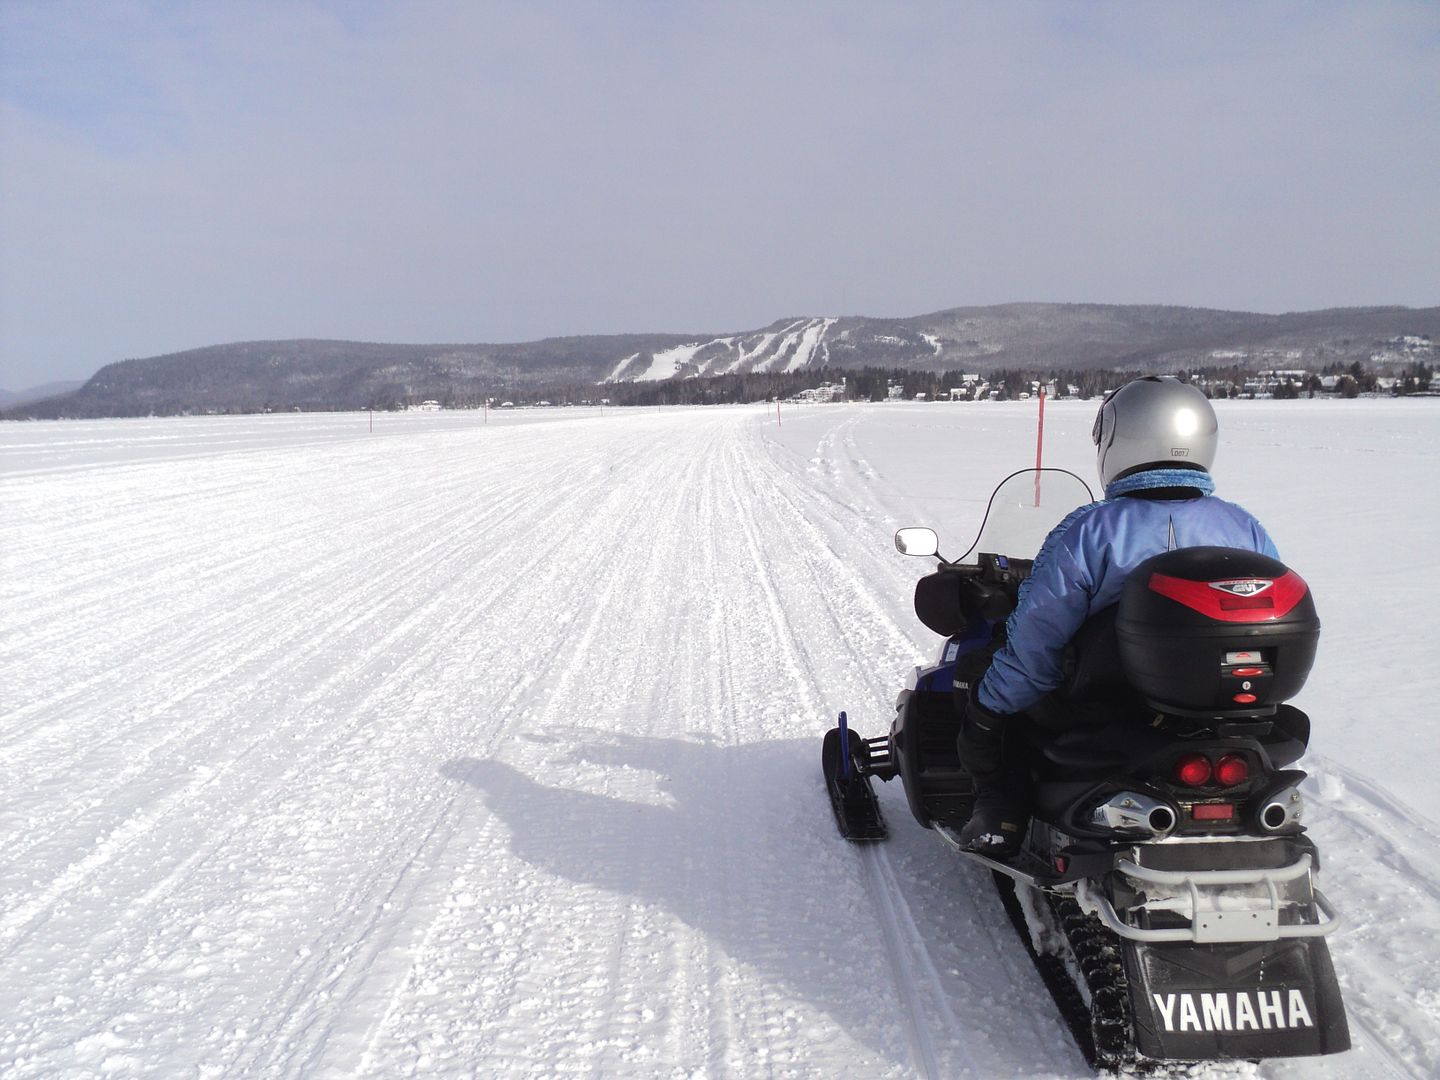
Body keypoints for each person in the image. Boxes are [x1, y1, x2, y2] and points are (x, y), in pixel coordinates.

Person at [957, 376, 1279, 857]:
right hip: (1220, 706)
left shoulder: (1092, 530)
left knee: (983, 686)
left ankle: (1000, 810)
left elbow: (1039, 634)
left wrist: (991, 706)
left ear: (1119, 439)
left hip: (1105, 706)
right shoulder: (1242, 525)